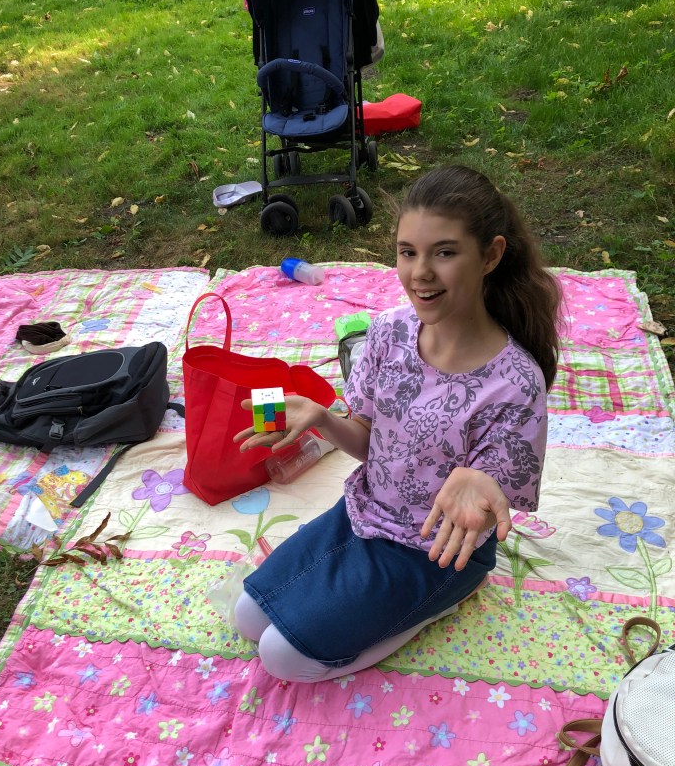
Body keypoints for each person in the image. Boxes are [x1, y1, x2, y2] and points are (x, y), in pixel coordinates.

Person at [232, 164, 562, 683]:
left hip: (436, 552)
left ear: (491, 255)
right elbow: (370, 445)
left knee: (282, 657)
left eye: (444, 253)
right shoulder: (388, 332)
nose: (420, 273)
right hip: (362, 514)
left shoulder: (515, 384)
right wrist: (323, 418)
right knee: (248, 617)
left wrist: (482, 486)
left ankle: (441, 602)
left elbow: (488, 509)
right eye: (408, 252)